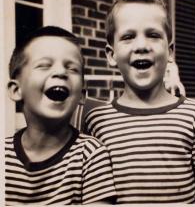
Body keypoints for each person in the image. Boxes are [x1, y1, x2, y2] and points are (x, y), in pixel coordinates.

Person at [84, 0, 195, 204]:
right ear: (111, 55)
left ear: (170, 51)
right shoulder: (97, 121)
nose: (141, 46)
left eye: (153, 35)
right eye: (128, 37)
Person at [5, 26, 116, 205]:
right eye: (44, 65)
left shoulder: (90, 155)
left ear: (81, 95)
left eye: (71, 68)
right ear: (17, 90)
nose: (60, 73)